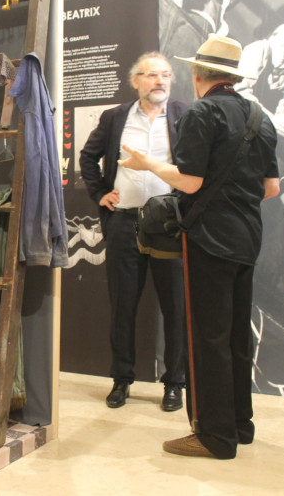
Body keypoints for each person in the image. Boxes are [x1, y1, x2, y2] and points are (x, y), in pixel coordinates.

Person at [119, 35, 280, 459]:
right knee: (236, 336)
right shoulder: (260, 116)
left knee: (208, 338)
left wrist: (148, 164)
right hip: (247, 237)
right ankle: (239, 425)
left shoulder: (202, 112)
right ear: (232, 75)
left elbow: (189, 182)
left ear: (196, 73)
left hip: (209, 239)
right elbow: (271, 188)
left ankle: (213, 436)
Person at [79, 52, 189, 412]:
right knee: (122, 306)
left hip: (170, 226)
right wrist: (100, 192)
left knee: (175, 307)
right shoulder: (115, 117)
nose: (160, 81)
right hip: (125, 222)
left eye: (165, 75)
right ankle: (121, 379)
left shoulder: (185, 115)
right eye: (152, 75)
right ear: (136, 81)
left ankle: (175, 383)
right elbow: (87, 157)